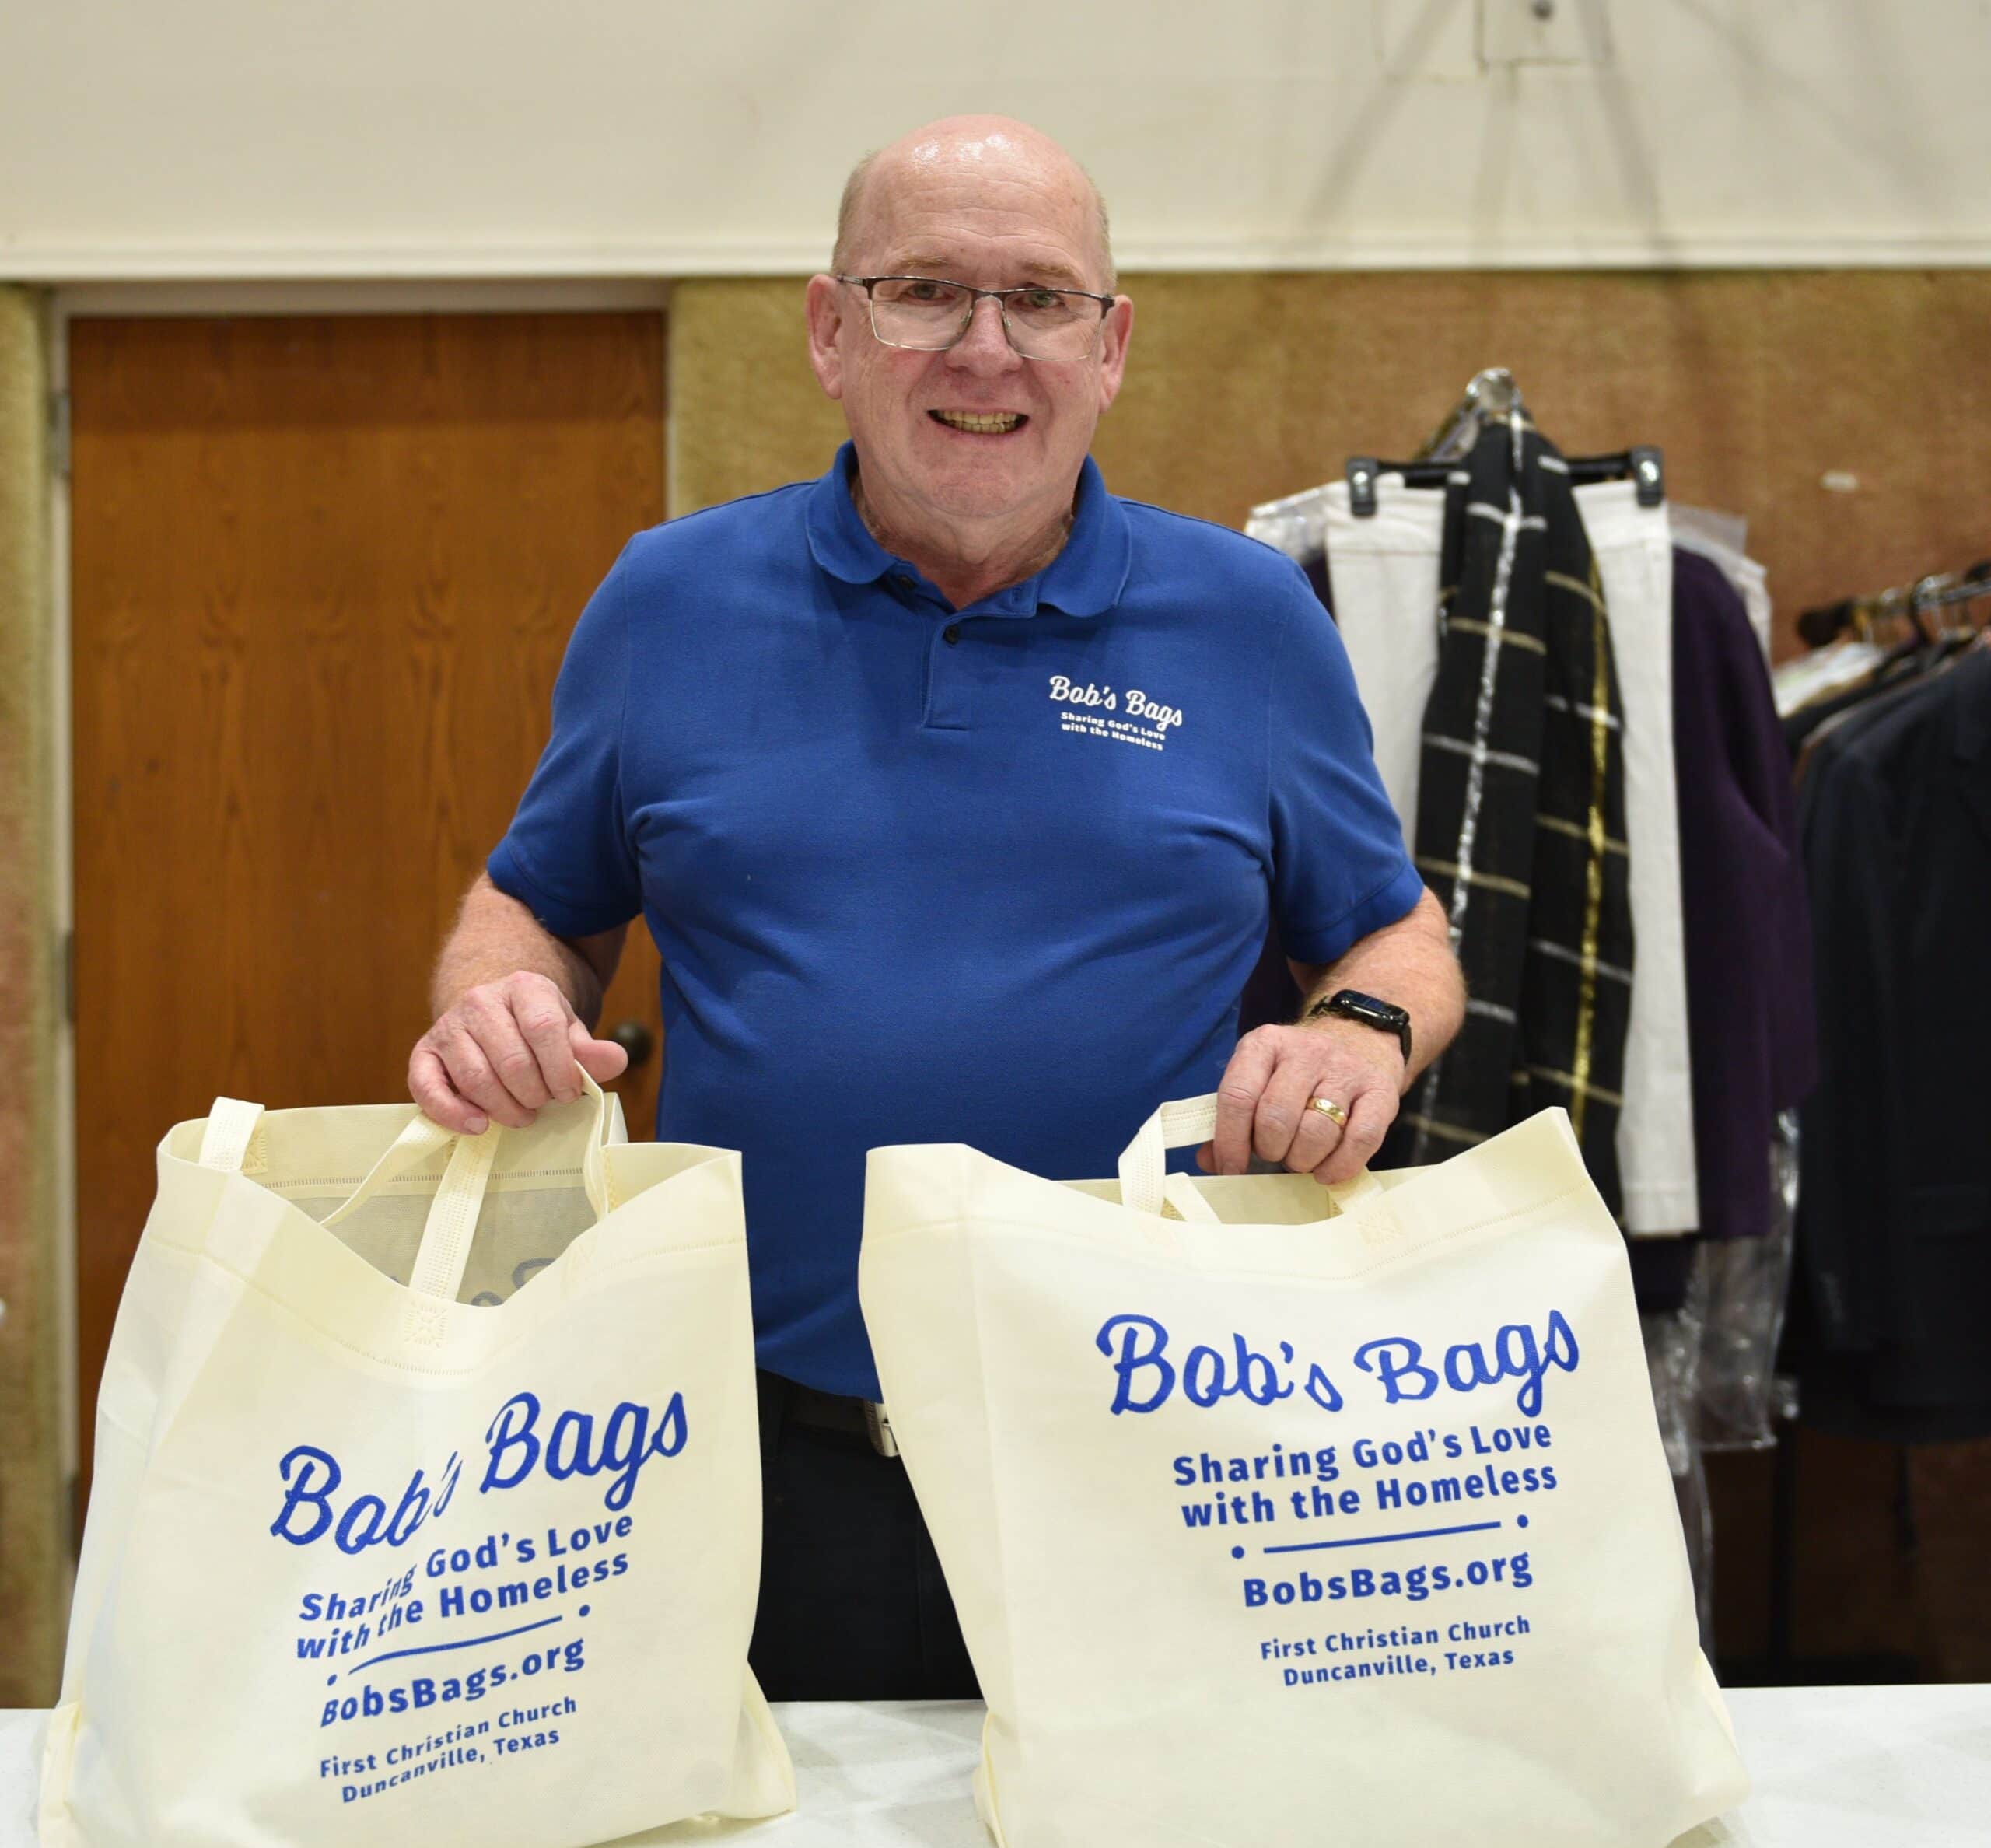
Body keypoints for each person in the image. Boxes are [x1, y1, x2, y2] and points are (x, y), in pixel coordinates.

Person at [410, 115, 1466, 1700]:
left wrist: (1364, 1031)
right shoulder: (670, 599)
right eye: (924, 292)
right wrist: (492, 994)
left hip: (1154, 1446)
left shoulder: (1242, 619)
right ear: (832, 331)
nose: (986, 348)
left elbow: (1390, 933)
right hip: (756, 1454)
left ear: (1108, 349)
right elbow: (530, 904)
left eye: (1040, 299)